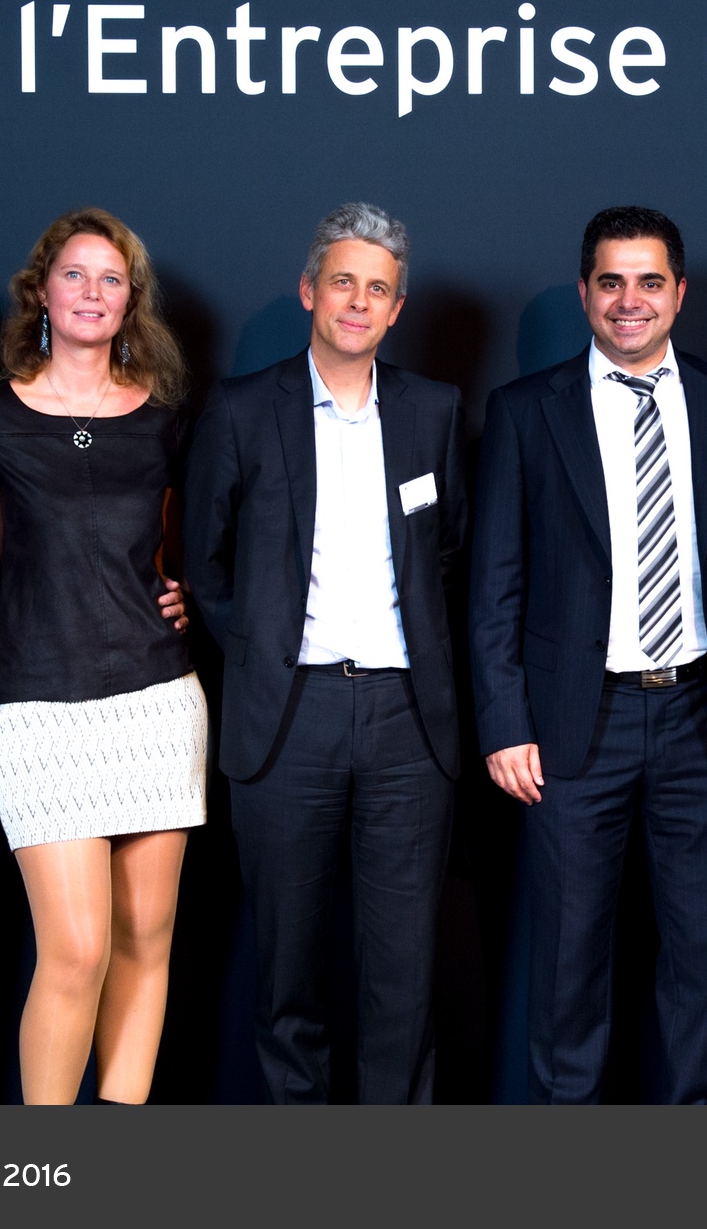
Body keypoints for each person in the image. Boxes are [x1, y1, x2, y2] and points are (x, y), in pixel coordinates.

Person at [469, 206, 707, 1104]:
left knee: (706, 958)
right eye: (611, 282)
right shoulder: (526, 410)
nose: (629, 301)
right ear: (584, 292)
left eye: (648, 282)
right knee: (568, 965)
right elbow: (494, 582)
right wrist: (505, 721)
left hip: (703, 719)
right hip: (573, 724)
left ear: (680, 293)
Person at [184, 203, 467, 1104]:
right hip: (287, 719)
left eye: (377, 289)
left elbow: (448, 553)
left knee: (403, 979)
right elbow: (204, 562)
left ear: (397, 308)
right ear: (309, 290)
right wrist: (263, 649)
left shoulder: (433, 412)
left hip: (407, 724)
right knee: (288, 976)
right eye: (343, 281)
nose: (358, 302)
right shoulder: (240, 410)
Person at [0, 207, 204, 1106]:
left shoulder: (164, 422)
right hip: (41, 705)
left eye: (111, 279)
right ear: (41, 292)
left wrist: (185, 592)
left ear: (130, 301)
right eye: (75, 274)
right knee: (76, 951)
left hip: (156, 702)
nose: (92, 292)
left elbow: (172, 550)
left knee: (145, 940)